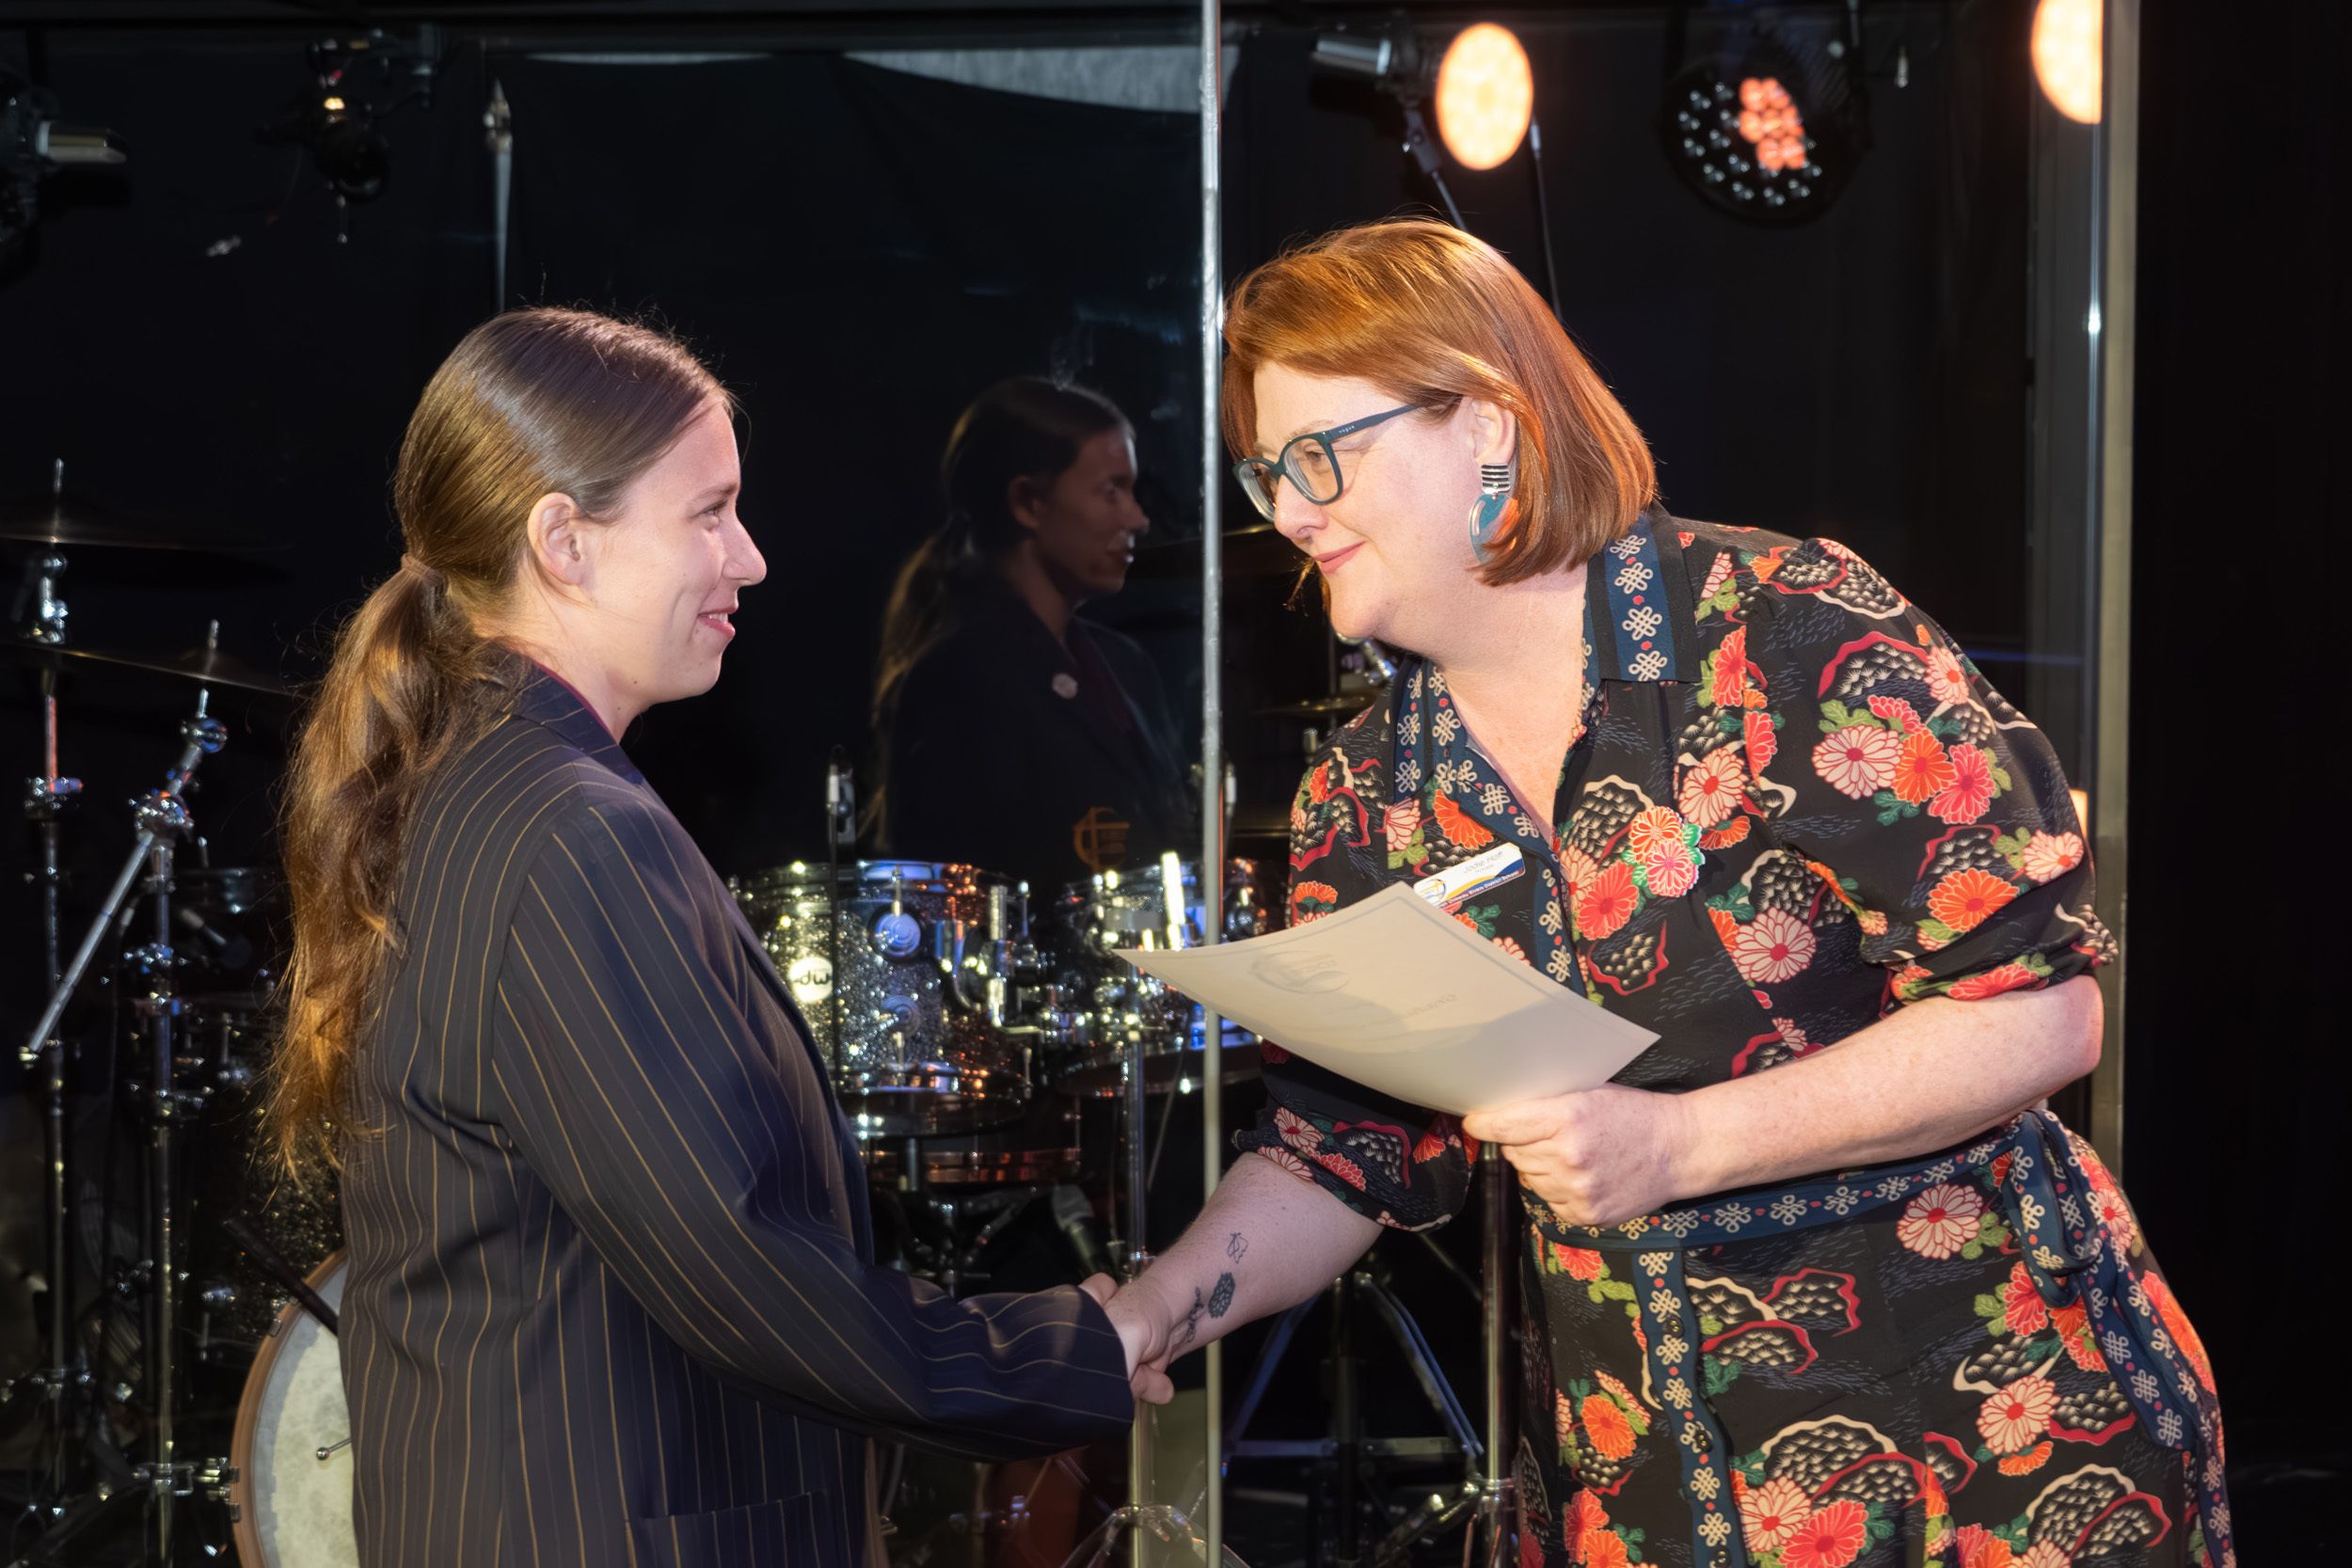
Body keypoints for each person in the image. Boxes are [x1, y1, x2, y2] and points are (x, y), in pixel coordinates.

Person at [1098, 222, 2230, 1568]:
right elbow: (1343, 1150)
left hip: (1993, 1453)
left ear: (1489, 424)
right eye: (1268, 471)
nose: (1289, 512)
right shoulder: (1367, 792)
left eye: (1319, 457)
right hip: (1651, 1493)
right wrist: (1151, 1311)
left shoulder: (1782, 627)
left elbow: (2040, 1009)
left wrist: (1677, 1145)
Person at [266, 309, 1150, 1568]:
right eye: (710, 512)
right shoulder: (572, 829)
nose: (751, 557)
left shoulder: (487, 782)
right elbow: (741, 1273)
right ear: (565, 542)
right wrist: (1072, 1349)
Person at [871, 376, 1190, 893]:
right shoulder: (954, 681)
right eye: (1111, 491)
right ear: (1028, 502)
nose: (1137, 519)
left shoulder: (1126, 664)